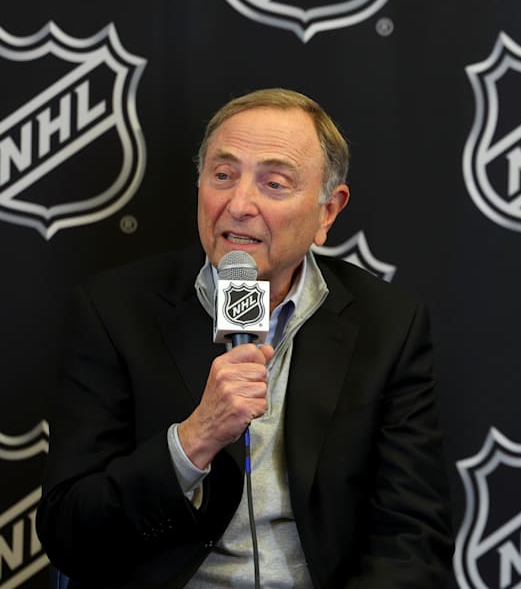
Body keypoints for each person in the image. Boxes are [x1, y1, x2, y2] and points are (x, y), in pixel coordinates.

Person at [38, 88, 452, 588]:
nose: (238, 204)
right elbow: (69, 531)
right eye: (223, 175)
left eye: (274, 184)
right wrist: (193, 442)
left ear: (328, 212)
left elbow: (410, 537)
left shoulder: (388, 324)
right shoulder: (113, 311)